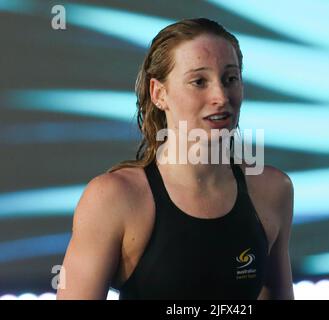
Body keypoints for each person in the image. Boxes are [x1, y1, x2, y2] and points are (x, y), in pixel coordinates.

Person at [57, 18, 294, 300]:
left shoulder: (272, 190)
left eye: (230, 79)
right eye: (199, 81)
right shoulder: (113, 198)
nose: (220, 96)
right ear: (159, 94)